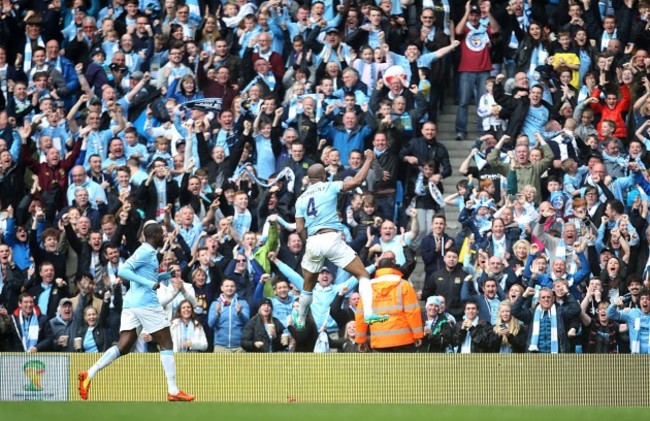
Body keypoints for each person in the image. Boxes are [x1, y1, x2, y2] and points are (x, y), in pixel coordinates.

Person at [77, 222, 194, 402]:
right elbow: (124, 271)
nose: (164, 236)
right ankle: (173, 390)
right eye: (161, 233)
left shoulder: (150, 253)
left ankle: (89, 374)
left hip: (131, 304)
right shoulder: (145, 251)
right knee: (166, 343)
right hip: (146, 303)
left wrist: (165, 276)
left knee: (123, 346)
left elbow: (147, 277)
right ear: (155, 235)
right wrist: (150, 284)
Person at [294, 150, 386, 329]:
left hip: (313, 241)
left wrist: (307, 242)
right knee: (362, 274)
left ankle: (300, 319)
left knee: (308, 285)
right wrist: (368, 159)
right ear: (323, 175)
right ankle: (369, 314)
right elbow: (358, 180)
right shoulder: (330, 186)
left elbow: (299, 228)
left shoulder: (300, 199)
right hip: (331, 238)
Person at [355, 258, 423, 352]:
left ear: (378, 269)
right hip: (403, 339)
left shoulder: (368, 288)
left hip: (379, 340)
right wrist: (418, 335)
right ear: (393, 268)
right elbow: (412, 312)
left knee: (384, 367)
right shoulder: (404, 285)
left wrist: (360, 340)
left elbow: (361, 316)